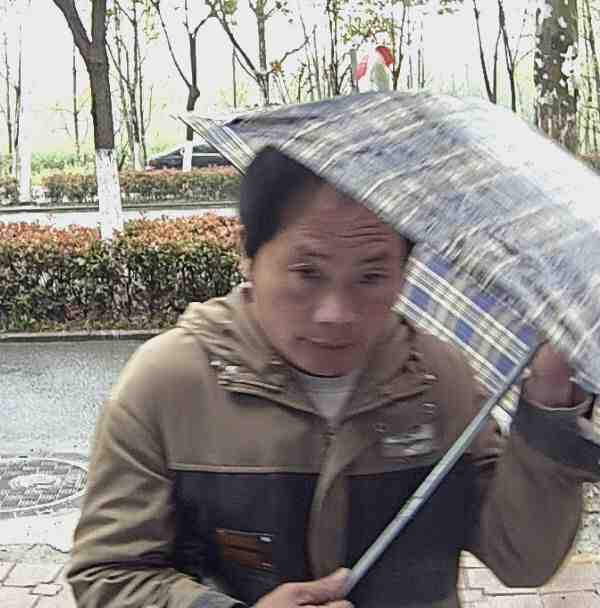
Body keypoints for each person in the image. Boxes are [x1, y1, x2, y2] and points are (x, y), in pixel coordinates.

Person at [67, 146, 600, 608]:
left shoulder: (440, 381)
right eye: (308, 272)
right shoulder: (168, 385)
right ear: (248, 254)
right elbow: (108, 575)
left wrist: (549, 403)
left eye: (371, 276)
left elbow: (522, 559)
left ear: (404, 271)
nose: (337, 314)